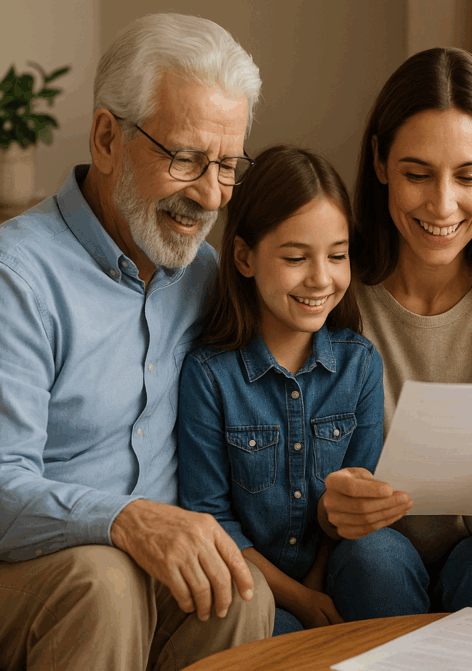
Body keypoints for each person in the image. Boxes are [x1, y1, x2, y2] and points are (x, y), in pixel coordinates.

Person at [0, 13, 274, 670]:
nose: (211, 195)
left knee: (241, 594)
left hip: (141, 573)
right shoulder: (14, 274)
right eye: (187, 158)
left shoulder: (207, 276)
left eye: (227, 165)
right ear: (108, 138)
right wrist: (126, 518)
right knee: (104, 584)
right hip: (7, 568)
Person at [320, 47, 472, 619]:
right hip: (371, 547)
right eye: (417, 174)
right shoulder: (333, 281)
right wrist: (331, 509)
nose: (442, 204)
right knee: (372, 558)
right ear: (380, 162)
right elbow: (306, 457)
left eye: (468, 176)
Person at [178, 145, 385, 637]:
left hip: (336, 570)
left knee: (380, 557)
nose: (321, 279)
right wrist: (300, 599)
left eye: (337, 256)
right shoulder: (209, 375)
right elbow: (212, 517)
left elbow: (360, 498)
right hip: (250, 582)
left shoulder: (360, 365)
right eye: (296, 258)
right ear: (246, 257)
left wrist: (318, 584)